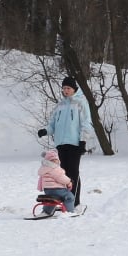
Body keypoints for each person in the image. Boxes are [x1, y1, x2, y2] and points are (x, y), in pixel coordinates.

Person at [37, 76, 95, 205]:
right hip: (61, 144)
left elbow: (86, 123)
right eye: (64, 88)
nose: (66, 90)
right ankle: (65, 200)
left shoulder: (81, 103)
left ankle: (74, 202)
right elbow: (52, 124)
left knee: (73, 172)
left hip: (75, 143)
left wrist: (83, 141)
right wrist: (45, 131)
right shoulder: (60, 105)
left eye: (68, 88)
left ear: (74, 89)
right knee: (62, 173)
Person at [36, 148, 80, 213]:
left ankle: (46, 212)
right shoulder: (53, 168)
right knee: (69, 197)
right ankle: (69, 211)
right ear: (49, 161)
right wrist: (69, 181)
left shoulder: (44, 168)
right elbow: (60, 177)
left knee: (52, 199)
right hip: (57, 189)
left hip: (47, 190)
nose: (55, 161)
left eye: (56, 159)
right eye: (52, 160)